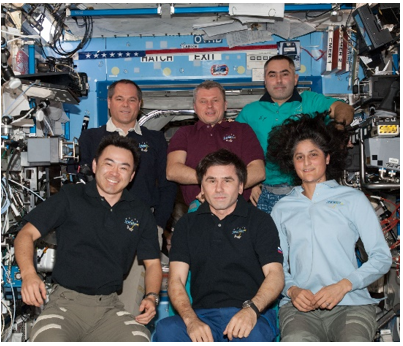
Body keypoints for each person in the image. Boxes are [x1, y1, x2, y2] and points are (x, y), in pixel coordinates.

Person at [14, 136, 161, 341]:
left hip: (110, 308)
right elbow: (25, 234)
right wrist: (29, 274)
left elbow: (153, 263)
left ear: (132, 175)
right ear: (94, 165)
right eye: (108, 164)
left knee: (139, 340)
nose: (114, 173)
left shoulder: (140, 212)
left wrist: (151, 297)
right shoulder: (71, 197)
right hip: (64, 306)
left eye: (123, 168)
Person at [267, 113, 391, 342]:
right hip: (300, 308)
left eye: (313, 155)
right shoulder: (282, 209)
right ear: (292, 163)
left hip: (351, 304)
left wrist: (344, 285)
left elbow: (382, 257)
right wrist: (292, 290)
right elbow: (275, 266)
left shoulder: (353, 199)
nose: (306, 163)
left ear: (327, 158)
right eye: (299, 157)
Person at [152, 150, 284, 342]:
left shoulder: (260, 221)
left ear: (240, 186)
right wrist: (191, 321)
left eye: (227, 181)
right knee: (166, 329)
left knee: (253, 335)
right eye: (211, 181)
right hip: (202, 316)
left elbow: (275, 274)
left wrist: (251, 311)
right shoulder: (187, 225)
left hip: (252, 312)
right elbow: (176, 280)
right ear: (202, 187)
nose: (219, 188)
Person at [78, 79, 176, 310]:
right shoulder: (91, 138)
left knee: (131, 301)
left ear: (139, 104)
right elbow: (82, 184)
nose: (125, 104)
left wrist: (157, 225)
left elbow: (167, 185)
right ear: (109, 103)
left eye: (132, 99)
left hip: (142, 227)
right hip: (97, 228)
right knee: (93, 300)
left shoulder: (155, 140)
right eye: (119, 99)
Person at [237, 55, 355, 213]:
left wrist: (339, 130)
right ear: (265, 80)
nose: (279, 80)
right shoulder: (249, 112)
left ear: (295, 78)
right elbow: (235, 151)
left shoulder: (310, 101)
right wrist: (249, 183)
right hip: (265, 194)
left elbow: (344, 109)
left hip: (308, 190)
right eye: (272, 75)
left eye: (284, 74)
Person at [166, 80, 265, 208]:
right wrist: (210, 185)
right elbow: (173, 170)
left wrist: (226, 191)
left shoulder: (242, 130)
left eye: (215, 100)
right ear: (195, 107)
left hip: (238, 208)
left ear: (225, 105)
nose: (209, 106)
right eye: (203, 101)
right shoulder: (184, 133)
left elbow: (258, 171)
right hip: (198, 209)